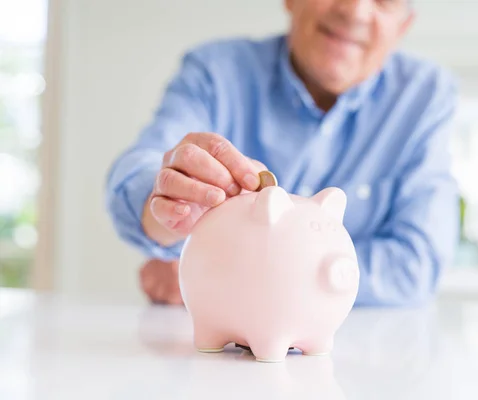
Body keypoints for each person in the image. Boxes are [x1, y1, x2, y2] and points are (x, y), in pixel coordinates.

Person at [105, 0, 459, 307]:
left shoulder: (425, 96)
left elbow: (415, 265)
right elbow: (137, 170)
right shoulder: (215, 72)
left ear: (402, 27)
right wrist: (165, 213)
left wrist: (224, 268)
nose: (355, 10)